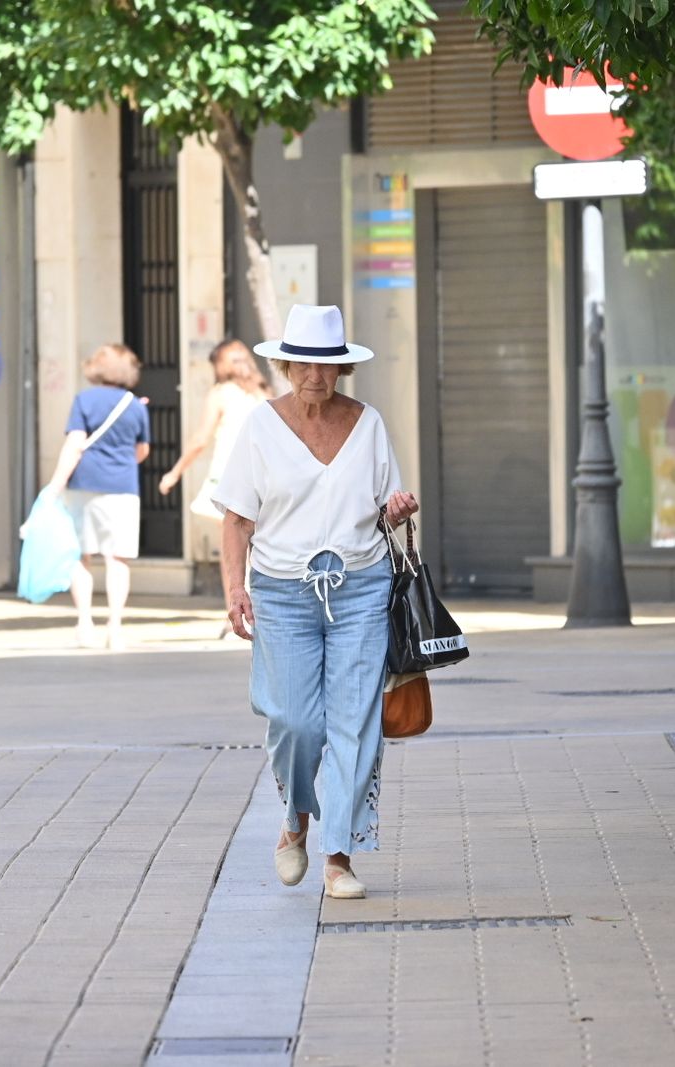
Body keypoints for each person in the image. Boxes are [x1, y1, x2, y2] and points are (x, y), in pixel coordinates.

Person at [213, 304, 418, 900]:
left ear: (341, 368)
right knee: (296, 722)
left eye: (326, 365)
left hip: (360, 586)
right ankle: (296, 819)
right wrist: (235, 589)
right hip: (282, 591)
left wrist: (396, 512)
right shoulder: (260, 426)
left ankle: (339, 857)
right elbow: (235, 518)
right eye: (302, 363)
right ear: (282, 364)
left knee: (356, 724)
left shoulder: (368, 424)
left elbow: (382, 508)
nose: (314, 376)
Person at [42, 343, 151, 651]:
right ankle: (115, 629)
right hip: (123, 487)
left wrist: (55, 486)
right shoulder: (136, 405)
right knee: (118, 559)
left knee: (82, 556)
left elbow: (75, 444)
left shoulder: (84, 400)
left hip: (84, 485)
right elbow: (142, 451)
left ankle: (84, 624)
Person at [157, 338, 269, 524]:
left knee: (232, 541)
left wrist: (174, 473)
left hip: (230, 473)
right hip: (262, 473)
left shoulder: (221, 393)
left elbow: (201, 439)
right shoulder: (264, 393)